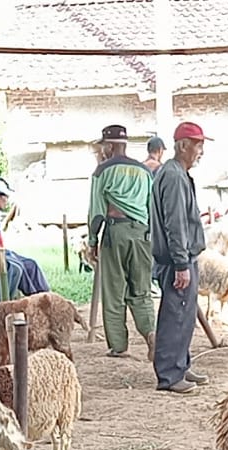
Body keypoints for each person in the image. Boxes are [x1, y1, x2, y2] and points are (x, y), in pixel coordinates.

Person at [149, 121, 214, 393]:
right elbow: (175, 224)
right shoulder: (174, 176)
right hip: (177, 259)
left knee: (184, 314)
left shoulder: (177, 173)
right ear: (183, 146)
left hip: (182, 257)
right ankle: (169, 375)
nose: (201, 151)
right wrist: (181, 264)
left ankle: (180, 365)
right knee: (175, 315)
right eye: (198, 145)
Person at [88, 123, 157, 360]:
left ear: (109, 146)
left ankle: (119, 346)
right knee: (142, 291)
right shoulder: (144, 171)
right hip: (142, 234)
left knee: (114, 292)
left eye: (103, 146)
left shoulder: (102, 171)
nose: (101, 151)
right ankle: (151, 334)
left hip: (115, 232)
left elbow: (97, 212)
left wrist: (92, 240)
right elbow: (152, 207)